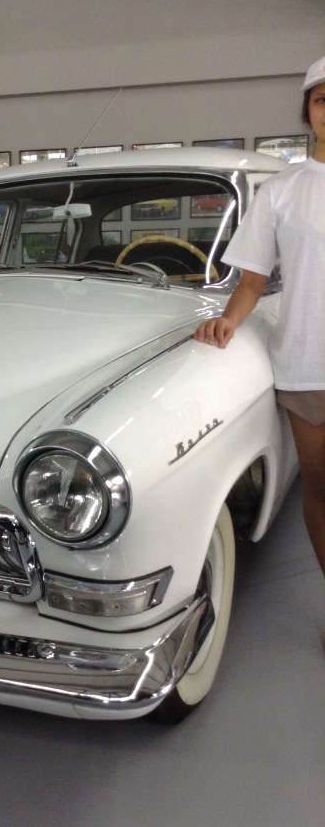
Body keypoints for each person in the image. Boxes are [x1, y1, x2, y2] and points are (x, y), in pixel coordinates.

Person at [194, 55, 325, 579]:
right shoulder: (283, 191)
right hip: (306, 363)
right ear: (307, 112)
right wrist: (227, 321)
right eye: (321, 100)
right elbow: (251, 279)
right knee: (319, 489)